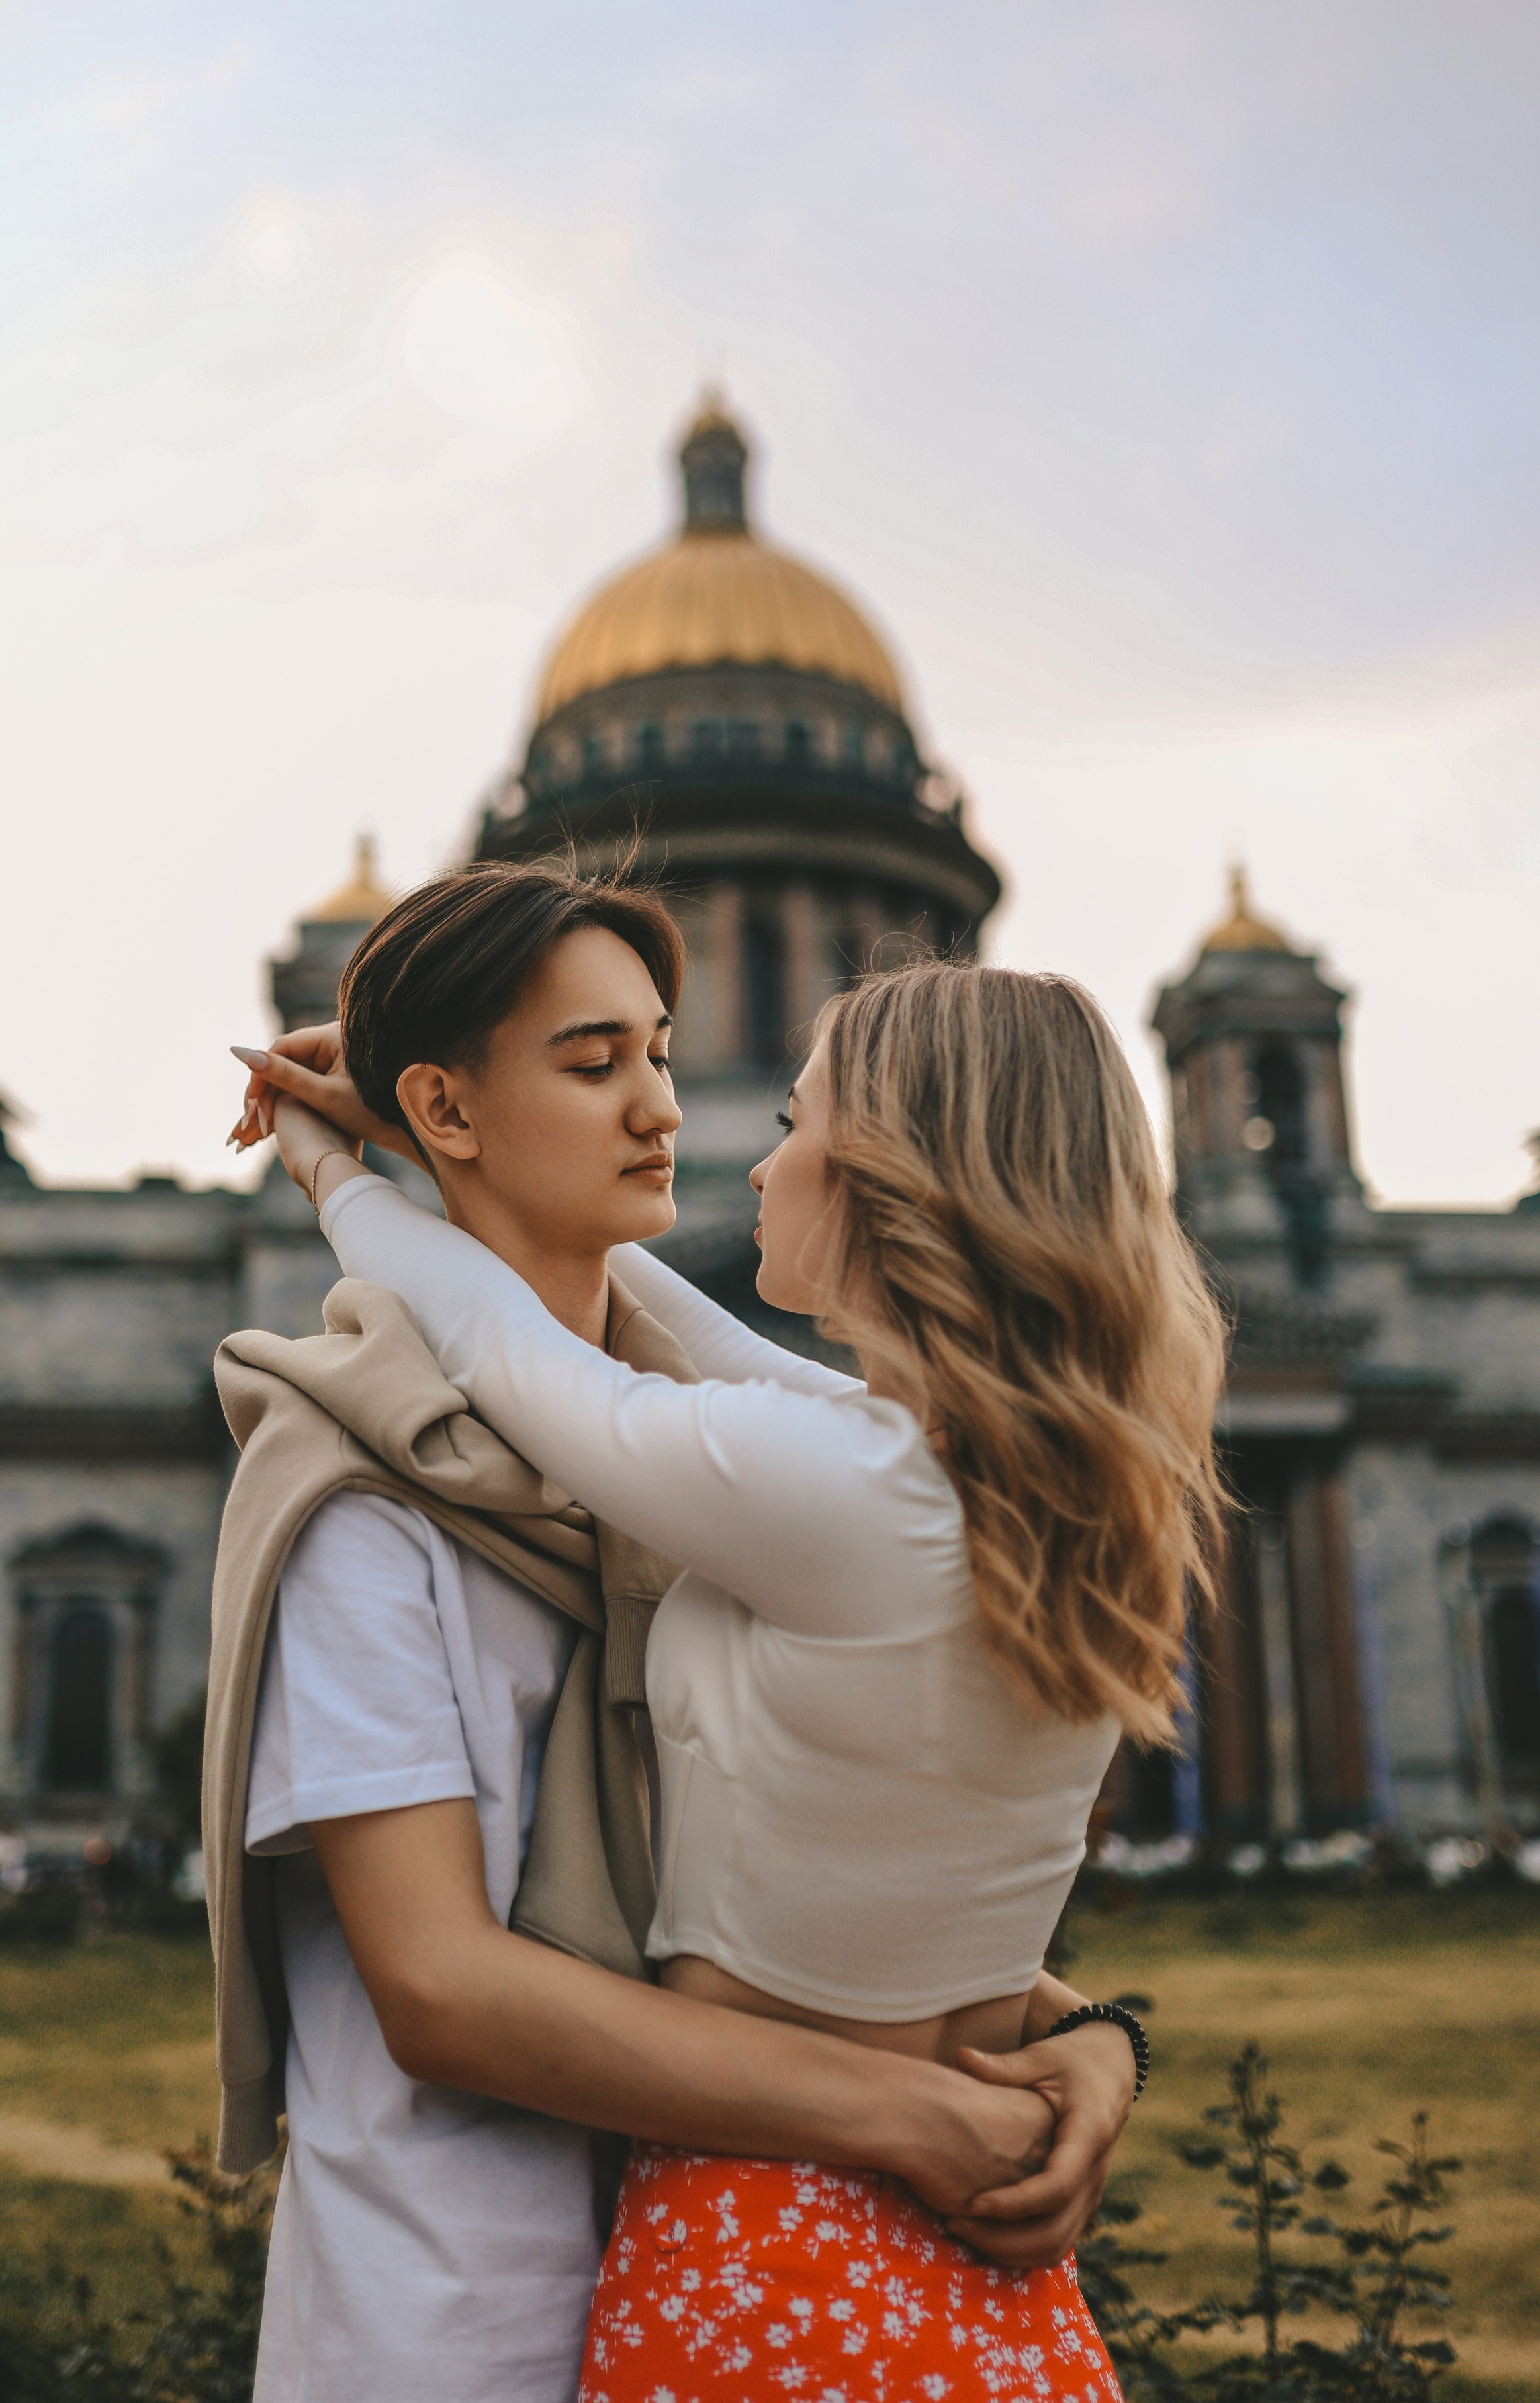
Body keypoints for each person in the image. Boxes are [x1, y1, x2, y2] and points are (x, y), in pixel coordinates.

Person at [233, 871, 1219, 2401]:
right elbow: (681, 1355)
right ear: (453, 1100)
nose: (696, 1133)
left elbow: (533, 1349)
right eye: (593, 1061)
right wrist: (1082, 2040)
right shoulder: (997, 1483)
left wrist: (345, 1170)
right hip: (532, 2310)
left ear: (897, 1179)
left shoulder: (804, 1486)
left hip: (760, 2260)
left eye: (771, 1113)